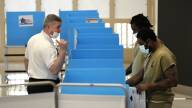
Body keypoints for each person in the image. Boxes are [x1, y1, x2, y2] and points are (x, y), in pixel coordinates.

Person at [127, 29, 178, 108]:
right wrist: (123, 85)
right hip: (148, 99)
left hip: (160, 101)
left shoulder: (164, 55)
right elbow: (140, 75)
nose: (141, 48)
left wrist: (149, 86)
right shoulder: (151, 53)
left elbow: (173, 81)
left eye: (141, 44)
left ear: (148, 41)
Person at [24, 14, 67, 94]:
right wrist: (62, 51)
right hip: (45, 87)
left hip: (32, 84)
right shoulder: (47, 45)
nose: (59, 30)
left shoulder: (33, 38)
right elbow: (54, 70)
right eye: (58, 27)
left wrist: (33, 75)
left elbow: (26, 60)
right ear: (48, 27)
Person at [126, 14, 153, 78]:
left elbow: (148, 64)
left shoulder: (147, 44)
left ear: (143, 28)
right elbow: (134, 64)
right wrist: (122, 74)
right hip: (136, 82)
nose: (133, 33)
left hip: (142, 82)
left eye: (135, 30)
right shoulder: (139, 43)